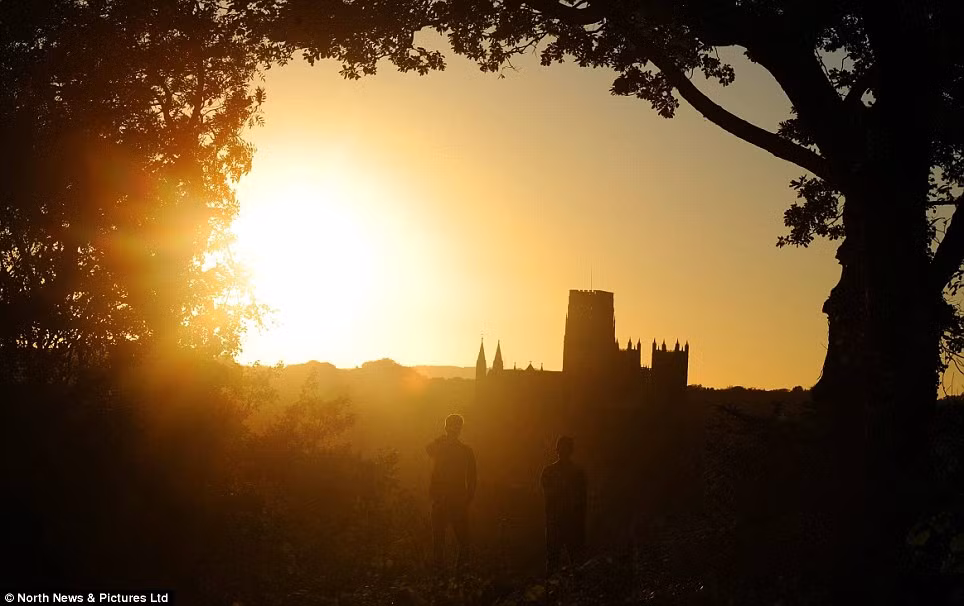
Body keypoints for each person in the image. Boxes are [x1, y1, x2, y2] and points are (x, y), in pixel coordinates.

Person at [426, 413, 476, 571]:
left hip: (453, 501)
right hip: (444, 500)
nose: (455, 429)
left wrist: (466, 499)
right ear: (448, 428)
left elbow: (472, 478)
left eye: (457, 426)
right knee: (441, 543)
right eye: (453, 426)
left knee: (460, 543)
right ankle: (446, 579)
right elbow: (428, 450)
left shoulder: (465, 451)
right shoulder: (456, 449)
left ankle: (455, 578)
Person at [541, 435, 587, 575]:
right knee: (573, 561)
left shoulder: (549, 472)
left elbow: (549, 496)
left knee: (557, 561)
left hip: (560, 522)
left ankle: (555, 591)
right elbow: (582, 502)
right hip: (566, 522)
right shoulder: (577, 473)